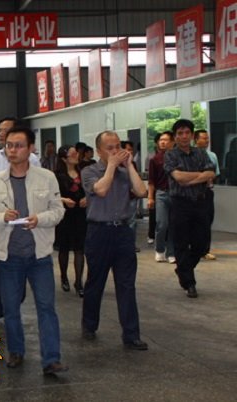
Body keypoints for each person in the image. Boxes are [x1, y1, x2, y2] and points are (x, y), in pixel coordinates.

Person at [0, 126, 67, 374]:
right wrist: (3, 217)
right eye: (9, 145)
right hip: (8, 256)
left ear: (30, 149)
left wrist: (39, 219)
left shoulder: (46, 178)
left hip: (39, 255)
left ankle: (51, 359)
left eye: (18, 145)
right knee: (10, 308)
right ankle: (16, 351)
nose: (12, 150)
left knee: (46, 307)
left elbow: (58, 211)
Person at [81, 130, 149, 350]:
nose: (115, 151)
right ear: (99, 151)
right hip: (99, 232)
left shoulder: (125, 171)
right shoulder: (89, 171)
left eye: (118, 146)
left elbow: (141, 191)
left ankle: (131, 334)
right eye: (109, 148)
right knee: (95, 282)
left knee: (126, 284)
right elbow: (100, 190)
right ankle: (89, 325)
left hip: (123, 232)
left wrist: (129, 166)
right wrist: (111, 166)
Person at [0, 117, 39, 326]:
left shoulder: (33, 160)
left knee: (18, 265)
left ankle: (14, 304)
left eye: (6, 130)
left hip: (21, 222)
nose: (1, 134)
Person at [165, 120, 216, 298]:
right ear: (175, 136)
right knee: (181, 243)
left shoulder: (201, 153)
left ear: (192, 135)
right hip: (180, 204)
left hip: (200, 203)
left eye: (187, 133)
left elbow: (211, 173)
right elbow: (178, 177)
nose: (184, 136)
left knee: (201, 244)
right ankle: (189, 283)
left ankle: (183, 269)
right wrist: (201, 176)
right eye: (180, 133)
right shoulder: (171, 155)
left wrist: (190, 179)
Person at [54, 146, 87, 297]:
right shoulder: (57, 175)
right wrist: (63, 200)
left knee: (80, 249)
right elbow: (52, 195)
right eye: (72, 154)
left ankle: (79, 282)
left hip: (80, 214)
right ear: (64, 158)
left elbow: (91, 190)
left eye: (76, 153)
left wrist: (87, 198)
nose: (76, 156)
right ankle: (64, 277)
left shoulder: (83, 173)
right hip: (64, 215)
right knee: (64, 248)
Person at [148, 132, 175, 263]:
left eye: (166, 140)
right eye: (160, 140)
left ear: (172, 142)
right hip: (161, 194)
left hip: (176, 194)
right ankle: (159, 249)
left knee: (173, 225)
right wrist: (150, 197)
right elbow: (151, 181)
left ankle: (171, 252)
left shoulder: (177, 158)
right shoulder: (155, 159)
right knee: (161, 223)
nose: (162, 142)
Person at [194, 129, 219, 261]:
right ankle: (193, 248)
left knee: (207, 220)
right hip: (193, 192)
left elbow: (216, 173)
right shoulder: (191, 155)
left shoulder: (212, 155)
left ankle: (205, 250)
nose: (207, 140)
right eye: (204, 138)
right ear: (196, 140)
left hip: (208, 191)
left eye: (207, 138)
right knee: (194, 220)